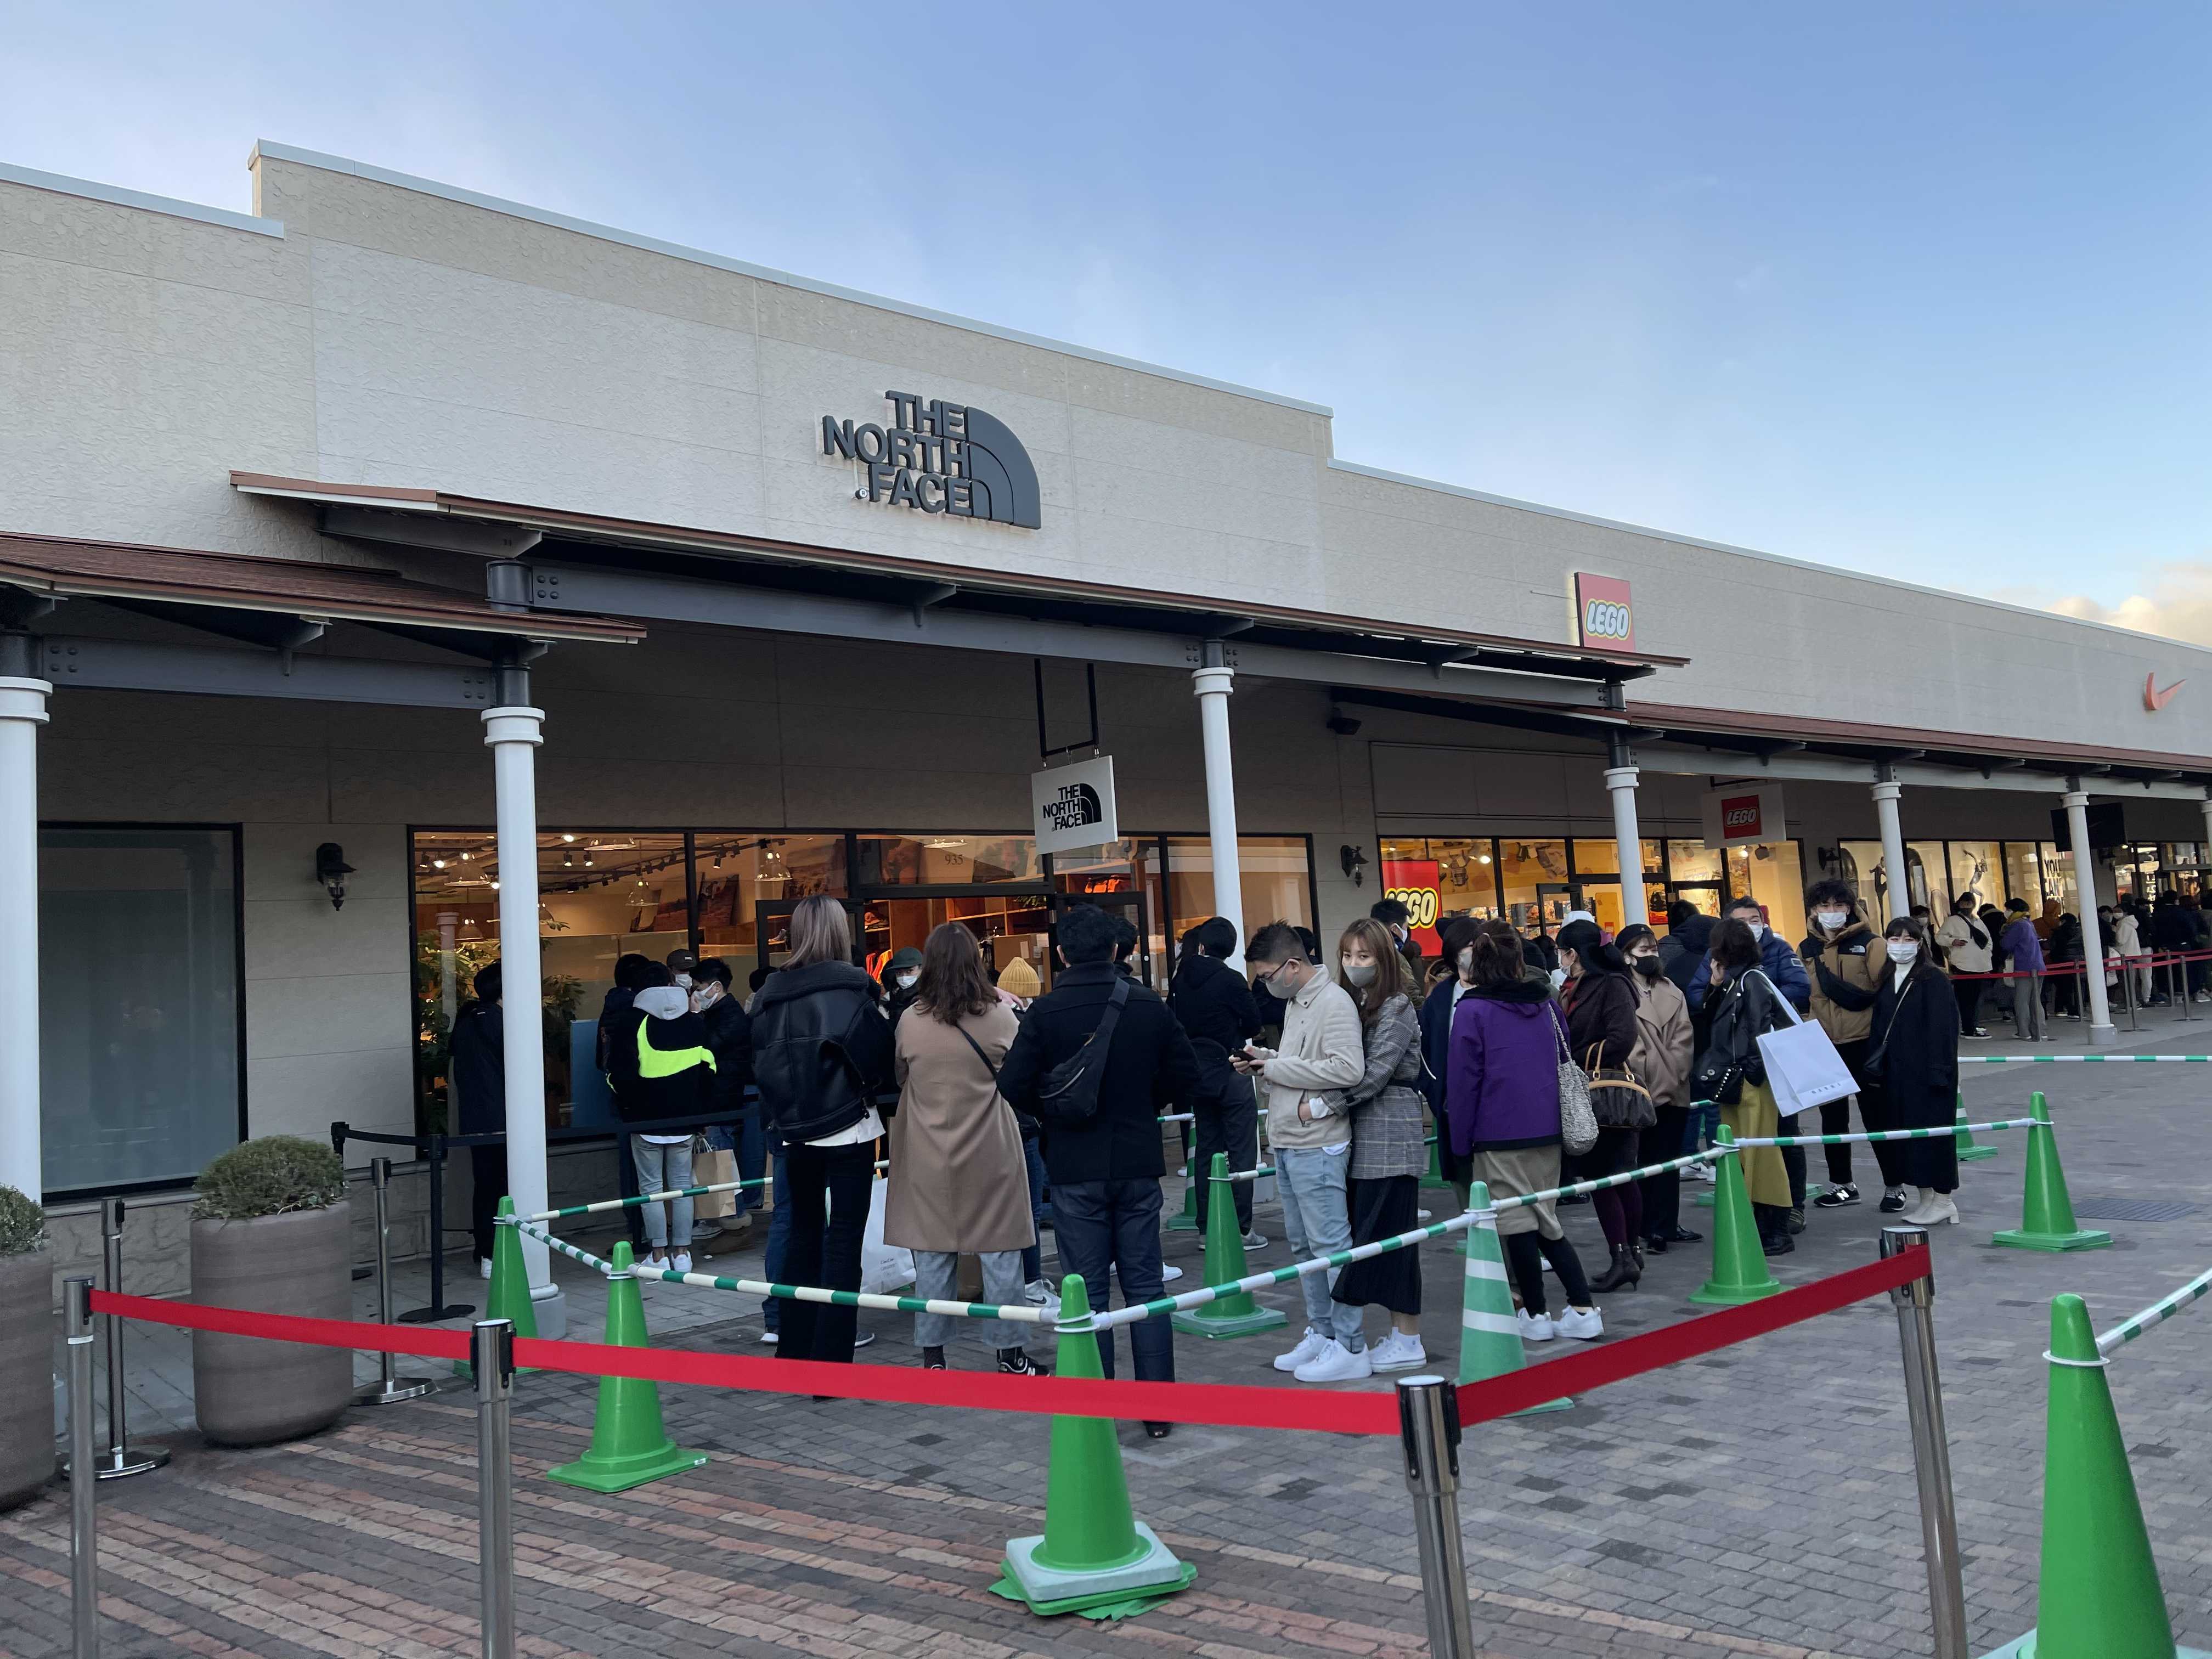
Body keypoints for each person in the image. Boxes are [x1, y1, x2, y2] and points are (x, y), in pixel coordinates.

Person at [997, 904, 1196, 1434]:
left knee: (1086, 1292)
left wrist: (1055, 1112)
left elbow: (1011, 1084)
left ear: (1062, 954)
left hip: (1072, 1162)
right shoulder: (1148, 1004)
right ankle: (1158, 1410)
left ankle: (1097, 1409)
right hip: (1137, 1158)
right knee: (1146, 1288)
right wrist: (1144, 1104)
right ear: (1114, 950)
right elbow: (1185, 1074)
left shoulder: (1044, 1012)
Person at [885, 923, 1048, 1376]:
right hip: (990, 1145)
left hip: (926, 1148)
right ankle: (1010, 1354)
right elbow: (1022, 1075)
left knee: (933, 1252)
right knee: (1001, 1252)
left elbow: (901, 1074)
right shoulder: (1000, 1017)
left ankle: (933, 1356)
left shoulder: (910, 1020)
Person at [750, 894, 895, 1368]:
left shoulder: (767, 999)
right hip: (849, 1127)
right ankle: (832, 1358)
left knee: (802, 1235)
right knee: (844, 1242)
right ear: (839, 932)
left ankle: (794, 1347)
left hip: (794, 1132)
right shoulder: (853, 993)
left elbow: (759, 1067)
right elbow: (879, 1064)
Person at [1444, 921, 1602, 1341]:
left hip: (1497, 1133)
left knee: (1518, 1225)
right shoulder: (1545, 1004)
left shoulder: (1472, 1011)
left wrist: (1459, 1144)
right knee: (1543, 1219)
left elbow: (1463, 1084)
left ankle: (1540, 1313)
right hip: (1548, 1130)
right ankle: (1578, 1308)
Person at [1237, 920, 1370, 1384]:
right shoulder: (1298, 1002)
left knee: (1330, 1247)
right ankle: (1323, 1331)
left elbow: (1348, 1069)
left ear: (1293, 965)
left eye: (1267, 975)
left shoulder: (1333, 1003)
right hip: (1291, 1139)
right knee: (1306, 1247)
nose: (1265, 984)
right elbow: (1306, 1066)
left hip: (1318, 1142)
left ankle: (1350, 1343)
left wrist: (1274, 1066)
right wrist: (1265, 1061)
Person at [1325, 918, 1430, 1372]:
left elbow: (1375, 1073)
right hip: (1364, 1135)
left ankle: (1408, 1339)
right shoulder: (1359, 1002)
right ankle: (1396, 1337)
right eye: (1348, 955)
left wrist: (1325, 1104)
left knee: (1392, 1239)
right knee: (1376, 1237)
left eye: (1364, 956)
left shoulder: (1397, 1005)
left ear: (1384, 958)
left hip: (1391, 1133)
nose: (1354, 964)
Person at [1690, 896, 1811, 1229]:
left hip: (1752, 1080)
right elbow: (1706, 1014)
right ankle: (1760, 1217)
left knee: (1764, 1151)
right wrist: (1714, 986)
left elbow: (1758, 1029)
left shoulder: (1752, 980)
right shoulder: (1735, 980)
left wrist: (1752, 1072)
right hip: (1742, 1079)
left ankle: (1775, 1223)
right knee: (1746, 1150)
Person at [1798, 880, 1902, 1212]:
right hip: (1824, 1043)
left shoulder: (1871, 943)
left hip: (1865, 1042)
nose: (1831, 912)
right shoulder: (1806, 948)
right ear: (1814, 910)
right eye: (1824, 906)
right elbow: (1806, 995)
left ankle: (1895, 1186)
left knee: (1877, 1117)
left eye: (1838, 905)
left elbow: (1888, 992)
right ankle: (1842, 1184)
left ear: (1850, 908)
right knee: (1832, 1120)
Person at [609, 972, 717, 1273]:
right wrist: (701, 1114)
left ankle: (658, 1256)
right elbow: (709, 1070)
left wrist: (627, 1106)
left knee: (652, 1190)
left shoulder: (631, 1022)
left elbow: (620, 1075)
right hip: (685, 1119)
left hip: (644, 1121)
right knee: (683, 1188)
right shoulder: (695, 1023)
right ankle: (682, 1254)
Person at [1556, 918, 1644, 1291]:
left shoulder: (1611, 984)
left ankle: (1625, 1255)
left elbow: (1622, 1039)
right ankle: (1628, 1254)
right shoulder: (1575, 987)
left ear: (1574, 954)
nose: (1560, 959)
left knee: (1611, 1177)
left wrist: (1574, 1060)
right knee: (1613, 1176)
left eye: (1562, 952)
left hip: (1607, 1095)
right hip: (1589, 1092)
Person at [1169, 917, 1265, 1245]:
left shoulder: (1181, 979)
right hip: (1232, 1067)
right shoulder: (1231, 980)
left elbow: (1173, 1021)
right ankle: (1241, 1229)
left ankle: (1207, 1229)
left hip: (1198, 1072)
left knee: (1207, 1149)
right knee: (1241, 1149)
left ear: (1201, 946)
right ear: (1231, 949)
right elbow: (1253, 1021)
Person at [1865, 916, 1961, 1226]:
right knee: (1909, 1139)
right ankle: (1927, 1199)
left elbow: (1943, 1030)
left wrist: (1939, 1071)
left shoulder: (1933, 979)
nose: (1901, 945)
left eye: (1909, 939)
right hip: (1897, 1076)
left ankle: (1944, 1200)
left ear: (1920, 944)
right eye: (1895, 939)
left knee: (1934, 1136)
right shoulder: (1888, 976)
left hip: (1929, 1075)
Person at [1617, 925, 1697, 1254]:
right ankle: (1647, 1226)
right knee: (1644, 1161)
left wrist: (1670, 1074)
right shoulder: (1620, 991)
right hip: (1639, 1092)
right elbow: (1629, 1046)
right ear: (1626, 956)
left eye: (1653, 949)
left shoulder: (1671, 990)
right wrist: (1650, 1078)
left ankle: (1665, 1225)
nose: (1650, 955)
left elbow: (1684, 1040)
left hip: (1674, 1091)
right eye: (1643, 950)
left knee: (1668, 1160)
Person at [1416, 916, 1484, 1215]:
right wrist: (1435, 1093)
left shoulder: (1502, 990)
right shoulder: (1441, 996)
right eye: (1469, 946)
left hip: (1496, 1105)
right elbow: (1425, 1048)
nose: (1475, 952)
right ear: (1455, 952)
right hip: (1452, 1105)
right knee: (1465, 1186)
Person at [447, 961, 508, 1277]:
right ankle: (497, 1252)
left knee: (485, 1187)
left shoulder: (466, 1022)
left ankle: (485, 1251)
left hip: (475, 1119)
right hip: (505, 1119)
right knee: (506, 1188)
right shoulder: (503, 1022)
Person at [691, 958, 759, 1216]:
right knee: (723, 1156)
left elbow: (706, 1048)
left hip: (723, 1097)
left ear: (716, 987)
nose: (695, 993)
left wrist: (695, 1017)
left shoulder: (729, 1017)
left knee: (723, 1157)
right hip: (722, 1094)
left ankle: (733, 1214)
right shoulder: (721, 1014)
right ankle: (730, 1213)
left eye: (699, 988)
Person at [1936, 894, 1993, 1038]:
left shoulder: (1978, 921)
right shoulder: (1953, 921)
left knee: (1976, 998)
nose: (1967, 906)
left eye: (1969, 904)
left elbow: (1988, 941)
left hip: (1980, 965)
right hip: (1963, 965)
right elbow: (1940, 937)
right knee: (1966, 999)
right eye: (1964, 904)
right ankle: (1969, 1028)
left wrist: (1987, 956)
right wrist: (1953, 942)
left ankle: (1973, 1024)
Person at [2000, 897, 2047, 1042]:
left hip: (2024, 967)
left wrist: (2004, 932)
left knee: (2022, 1001)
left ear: (2013, 911)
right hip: (2038, 966)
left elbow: (2006, 944)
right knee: (2036, 1000)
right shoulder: (2029, 923)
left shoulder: (2017, 925)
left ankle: (2024, 1032)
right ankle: (2040, 1031)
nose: (2006, 912)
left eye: (2007, 909)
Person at [1370, 895, 1423, 975]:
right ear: (1395, 929)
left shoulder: (1365, 955)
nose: (1407, 931)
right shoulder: (1412, 956)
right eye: (1406, 927)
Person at [879, 946, 924, 1028]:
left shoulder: (927, 994)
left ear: (921, 968)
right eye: (899, 973)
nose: (904, 977)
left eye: (909, 971)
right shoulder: (896, 991)